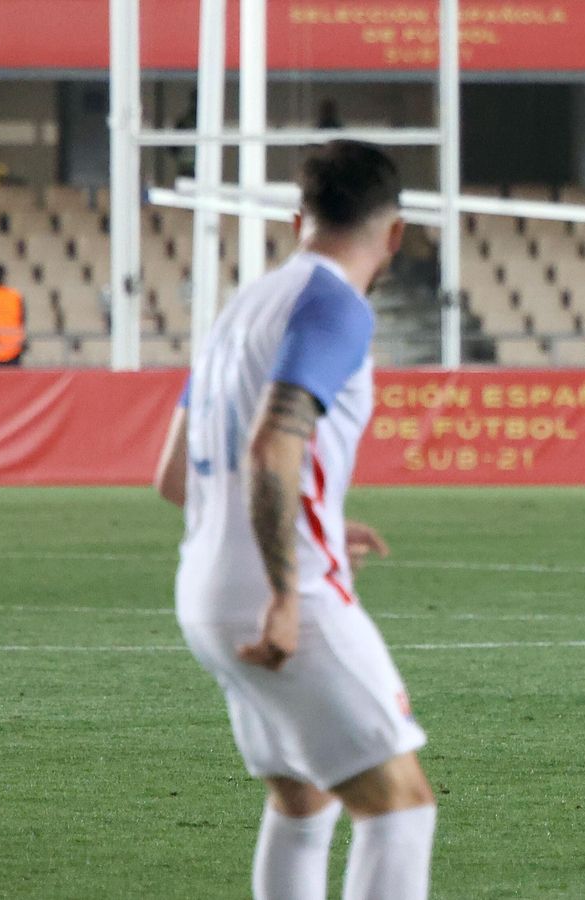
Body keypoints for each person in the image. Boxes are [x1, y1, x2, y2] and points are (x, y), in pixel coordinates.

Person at [152, 141, 435, 900]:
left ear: (295, 218)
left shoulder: (239, 311)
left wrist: (314, 518)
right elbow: (275, 442)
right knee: (399, 805)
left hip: (202, 593)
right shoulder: (334, 302)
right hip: (288, 598)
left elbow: (176, 476)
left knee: (302, 799)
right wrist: (283, 586)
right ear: (397, 232)